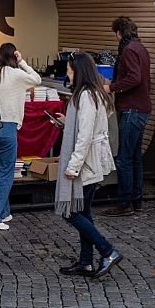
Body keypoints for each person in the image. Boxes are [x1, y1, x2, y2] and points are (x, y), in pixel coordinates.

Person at [54, 53, 123, 278]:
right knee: (83, 212)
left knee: (71, 212)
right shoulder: (92, 94)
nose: (67, 73)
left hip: (86, 164)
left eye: (69, 70)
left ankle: (108, 250)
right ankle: (85, 262)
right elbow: (86, 128)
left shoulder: (86, 96)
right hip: (90, 161)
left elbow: (85, 136)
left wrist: (73, 166)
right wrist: (66, 123)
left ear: (78, 71)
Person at [0, 43, 41, 230]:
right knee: (6, 172)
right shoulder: (17, 75)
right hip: (8, 127)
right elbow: (37, 79)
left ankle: (3, 212)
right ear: (13, 56)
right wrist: (22, 62)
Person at [103, 16, 152, 217]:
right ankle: (136, 200)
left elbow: (134, 77)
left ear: (119, 33)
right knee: (134, 158)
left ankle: (124, 203)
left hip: (132, 108)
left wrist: (111, 86)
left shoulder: (129, 50)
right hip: (141, 107)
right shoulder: (140, 47)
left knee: (124, 158)